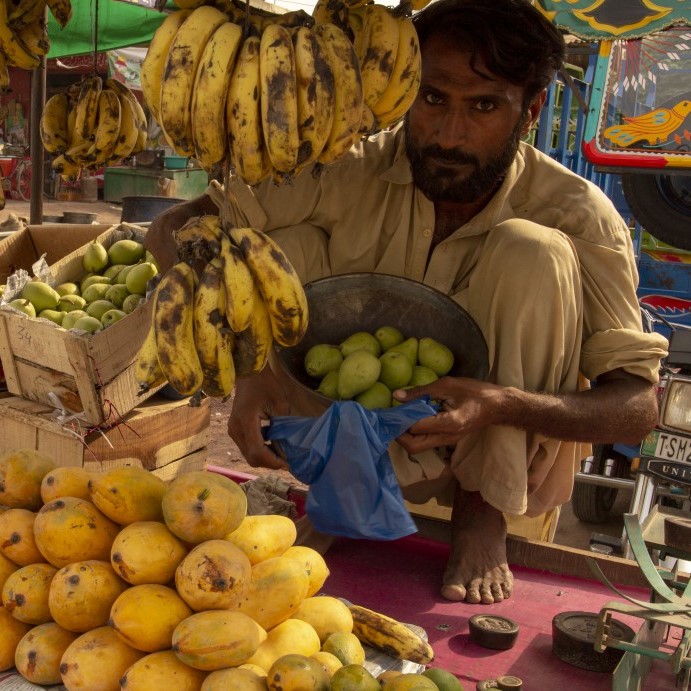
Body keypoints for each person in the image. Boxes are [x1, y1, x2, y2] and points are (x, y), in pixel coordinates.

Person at [145, 0, 668, 605]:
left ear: (530, 112)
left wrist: (501, 404)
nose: (449, 134)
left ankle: (482, 516)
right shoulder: (348, 164)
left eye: (484, 106)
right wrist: (253, 370)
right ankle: (340, 491)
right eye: (434, 98)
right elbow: (172, 232)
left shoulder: (576, 212)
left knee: (534, 252)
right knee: (274, 246)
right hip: (345, 432)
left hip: (505, 458)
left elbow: (635, 406)